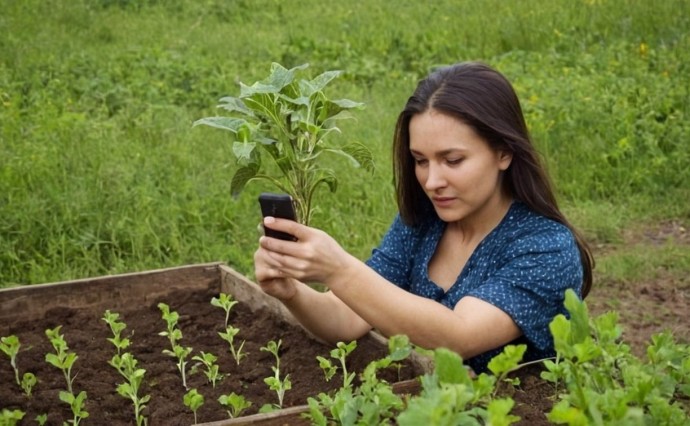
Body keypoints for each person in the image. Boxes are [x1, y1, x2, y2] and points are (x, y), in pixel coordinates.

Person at [253, 61, 594, 373]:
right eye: (420, 160)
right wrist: (292, 292)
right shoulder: (423, 223)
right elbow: (345, 320)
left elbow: (459, 336)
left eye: (453, 160)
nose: (432, 182)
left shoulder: (545, 247)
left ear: (504, 152)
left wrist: (338, 268)